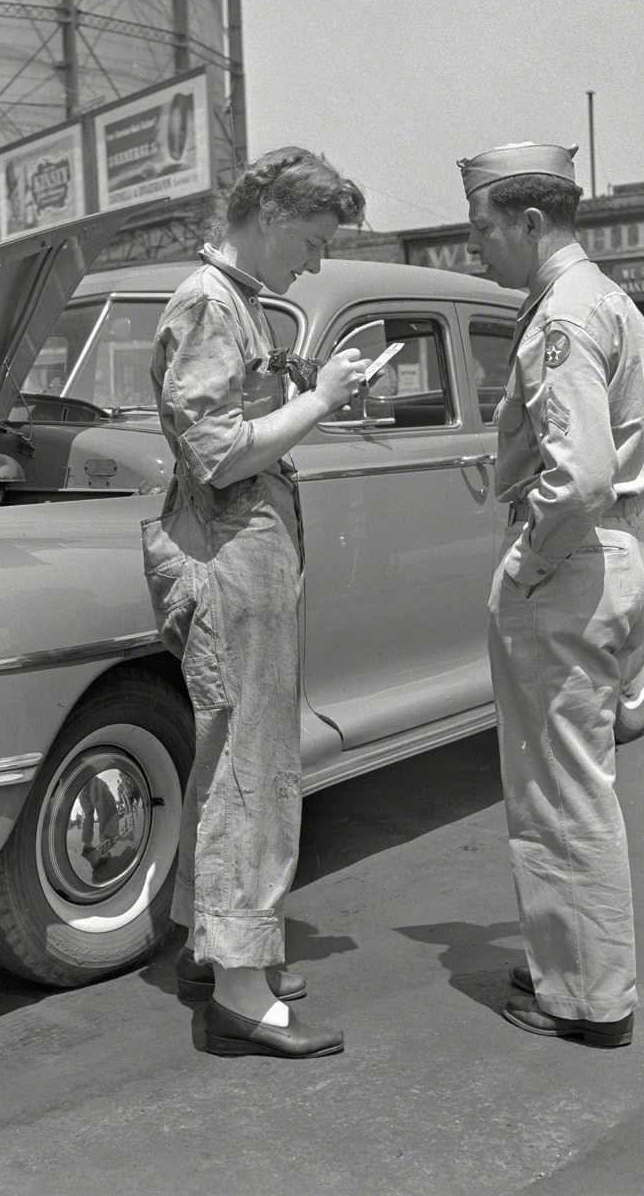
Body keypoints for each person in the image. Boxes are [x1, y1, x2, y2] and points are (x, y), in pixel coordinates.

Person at [142, 147, 368, 1058]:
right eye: (311, 242)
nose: (313, 263)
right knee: (255, 763)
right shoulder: (207, 302)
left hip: (238, 548)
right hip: (230, 551)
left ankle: (217, 942)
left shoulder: (231, 299)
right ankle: (240, 993)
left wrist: (299, 381)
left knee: (229, 752)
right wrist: (318, 401)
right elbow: (218, 452)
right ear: (270, 215)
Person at [457, 141, 644, 1047]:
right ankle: (571, 967)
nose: (475, 250)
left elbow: (576, 480)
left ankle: (587, 1001)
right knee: (572, 788)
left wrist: (526, 562)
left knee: (560, 797)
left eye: (483, 229)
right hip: (612, 555)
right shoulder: (606, 298)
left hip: (570, 568)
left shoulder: (560, 321)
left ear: (531, 222)